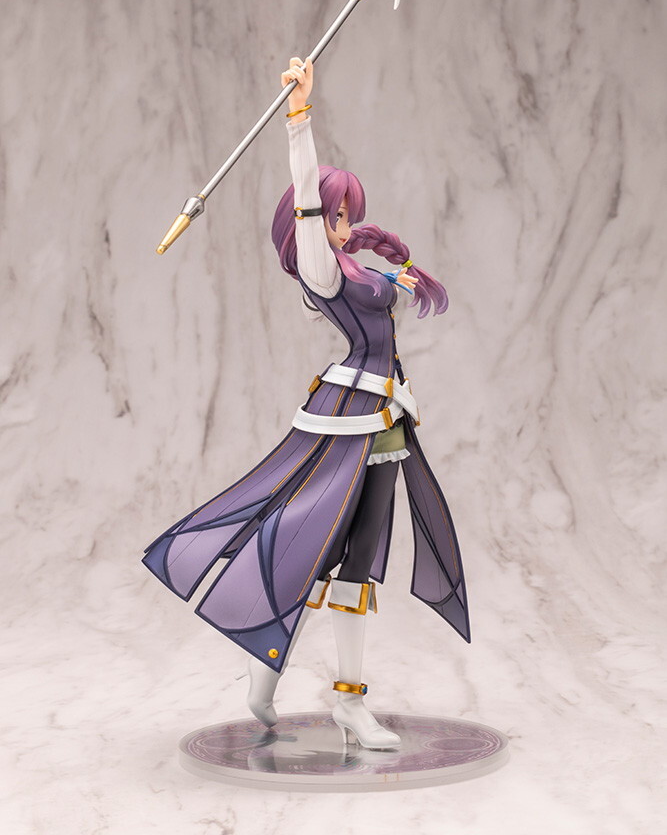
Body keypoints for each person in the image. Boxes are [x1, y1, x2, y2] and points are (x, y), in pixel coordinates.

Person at [143, 57, 470, 750]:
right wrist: (299, 119)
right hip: (353, 419)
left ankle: (312, 690)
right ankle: (289, 676)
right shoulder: (321, 270)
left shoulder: (355, 266)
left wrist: (399, 268)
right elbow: (307, 199)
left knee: (349, 558)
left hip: (384, 421)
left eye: (350, 214)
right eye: (335, 214)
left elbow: (387, 285)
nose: (343, 224)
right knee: (316, 545)